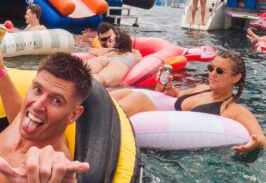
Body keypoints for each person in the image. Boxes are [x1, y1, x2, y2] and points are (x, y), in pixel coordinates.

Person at [112, 50, 265, 153]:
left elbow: (261, 138)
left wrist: (254, 145)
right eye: (211, 68)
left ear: (236, 78)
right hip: (161, 118)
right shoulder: (202, 88)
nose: (212, 74)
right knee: (127, 92)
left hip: (165, 133)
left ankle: (99, 123)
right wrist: (168, 87)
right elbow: (177, 96)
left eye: (220, 71)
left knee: (138, 98)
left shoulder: (232, 109)